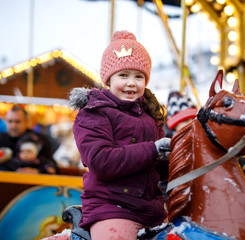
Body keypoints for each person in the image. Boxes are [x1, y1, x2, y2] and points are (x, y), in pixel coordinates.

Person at [68, 30, 170, 240]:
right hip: (111, 208)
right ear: (109, 79)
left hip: (151, 209)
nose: (132, 83)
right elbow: (101, 161)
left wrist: (177, 156)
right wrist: (153, 149)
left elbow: (158, 169)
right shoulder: (94, 113)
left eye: (139, 76)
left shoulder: (150, 117)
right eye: (123, 75)